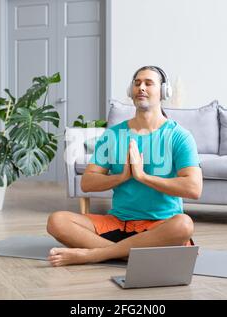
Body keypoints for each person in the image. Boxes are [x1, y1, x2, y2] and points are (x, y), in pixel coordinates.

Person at [46, 66, 203, 267]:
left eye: (148, 83)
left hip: (160, 225)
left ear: (164, 91)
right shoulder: (113, 135)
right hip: (118, 222)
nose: (141, 88)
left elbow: (194, 188)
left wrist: (143, 176)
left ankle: (93, 255)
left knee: (183, 225)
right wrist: (122, 177)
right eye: (137, 83)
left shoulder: (179, 136)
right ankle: (129, 253)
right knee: (57, 221)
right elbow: (87, 182)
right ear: (131, 91)